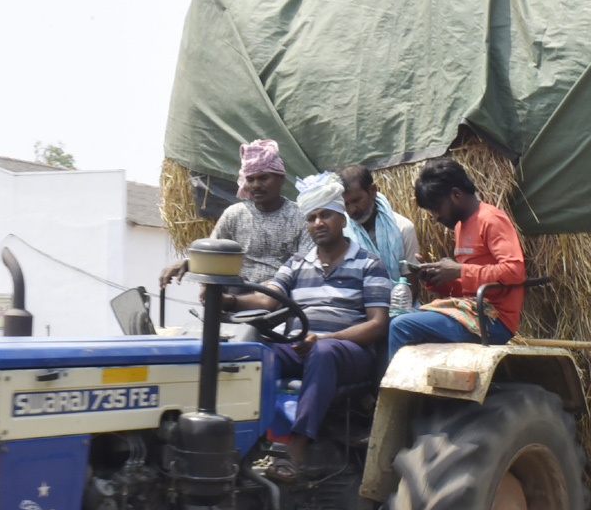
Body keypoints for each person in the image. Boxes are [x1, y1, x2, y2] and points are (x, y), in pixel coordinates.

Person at [232, 171, 390, 483]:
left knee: (323, 351)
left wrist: (325, 336)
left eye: (326, 215)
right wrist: (229, 301)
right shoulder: (295, 264)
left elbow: (377, 324)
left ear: (342, 219)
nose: (318, 223)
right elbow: (268, 300)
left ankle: (294, 451)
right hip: (303, 346)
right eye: (312, 217)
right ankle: (246, 446)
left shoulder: (369, 263)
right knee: (257, 357)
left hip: (349, 353)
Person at [387, 157, 525, 361]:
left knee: (401, 326)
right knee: (397, 319)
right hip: (472, 310)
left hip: (494, 319)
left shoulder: (491, 219)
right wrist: (435, 278)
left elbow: (515, 272)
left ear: (456, 194)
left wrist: (459, 270)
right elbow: (468, 287)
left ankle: (393, 391)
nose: (434, 217)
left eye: (436, 208)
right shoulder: (461, 226)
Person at [159, 139, 312, 310]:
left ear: (281, 178)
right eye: (250, 179)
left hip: (281, 295)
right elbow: (213, 254)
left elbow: (305, 266)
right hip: (237, 290)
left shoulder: (300, 216)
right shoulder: (235, 214)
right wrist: (188, 263)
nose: (256, 185)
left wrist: (278, 282)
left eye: (263, 178)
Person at [337, 164, 420, 280]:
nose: (352, 210)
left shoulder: (403, 228)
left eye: (356, 200)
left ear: (373, 191)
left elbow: (411, 282)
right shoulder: (340, 233)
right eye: (346, 204)